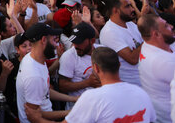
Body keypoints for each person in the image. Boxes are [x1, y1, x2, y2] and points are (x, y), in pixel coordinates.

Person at [25, 47, 156, 123]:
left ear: (96, 69)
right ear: (119, 65)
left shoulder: (92, 98)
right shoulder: (141, 93)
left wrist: (37, 119)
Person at [16, 23, 76, 123]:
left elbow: (45, 90)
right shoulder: (33, 75)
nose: (56, 45)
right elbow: (34, 116)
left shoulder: (33, 59)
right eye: (53, 40)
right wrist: (71, 112)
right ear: (43, 40)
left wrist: (74, 99)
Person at [137, 13, 175, 123]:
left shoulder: (148, 44)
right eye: (166, 26)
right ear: (156, 34)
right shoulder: (162, 61)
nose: (171, 26)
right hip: (169, 117)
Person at [99, 0, 143, 86]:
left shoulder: (130, 24)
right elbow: (132, 59)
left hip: (144, 80)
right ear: (116, 10)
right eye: (127, 6)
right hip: (130, 85)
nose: (132, 9)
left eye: (131, 5)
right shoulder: (109, 32)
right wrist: (150, 36)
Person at [57, 22, 101, 110]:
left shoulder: (103, 51)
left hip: (101, 106)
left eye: (79, 42)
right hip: (79, 109)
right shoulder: (68, 57)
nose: (75, 45)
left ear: (92, 41)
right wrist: (88, 83)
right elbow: (62, 86)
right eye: (74, 42)